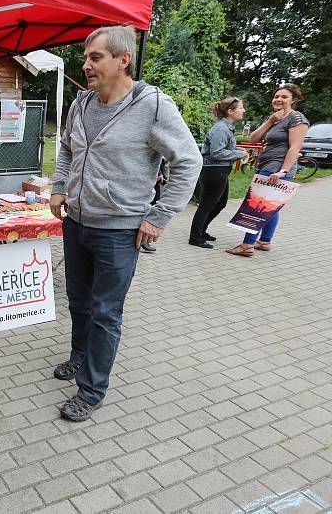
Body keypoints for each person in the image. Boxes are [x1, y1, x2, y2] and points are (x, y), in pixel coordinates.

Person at [49, 25, 202, 422]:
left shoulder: (152, 106)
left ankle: (92, 389)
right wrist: (58, 187)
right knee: (79, 302)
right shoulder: (81, 104)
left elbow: (188, 162)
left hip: (119, 231)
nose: (86, 65)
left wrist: (159, 215)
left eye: (95, 58)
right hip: (77, 222)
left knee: (105, 312)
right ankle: (79, 359)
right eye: (85, 58)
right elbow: (66, 149)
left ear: (123, 60)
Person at [226, 84, 309, 257]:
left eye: (284, 97)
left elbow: (294, 147)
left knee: (258, 205)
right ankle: (264, 241)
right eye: (276, 96)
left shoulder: (297, 119)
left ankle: (247, 245)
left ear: (293, 100)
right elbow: (253, 138)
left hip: (276, 168)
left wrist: (283, 171)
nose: (278, 99)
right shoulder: (276, 119)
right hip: (267, 166)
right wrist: (270, 121)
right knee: (271, 206)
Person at [189, 96, 247, 248]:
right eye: (240, 108)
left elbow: (225, 149)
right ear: (230, 111)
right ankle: (195, 237)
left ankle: (201, 231)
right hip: (214, 170)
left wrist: (238, 150)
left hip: (220, 170)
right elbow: (217, 153)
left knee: (220, 203)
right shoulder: (221, 129)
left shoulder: (226, 127)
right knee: (207, 204)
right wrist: (239, 154)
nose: (243, 111)